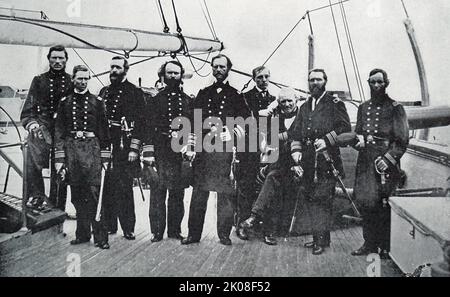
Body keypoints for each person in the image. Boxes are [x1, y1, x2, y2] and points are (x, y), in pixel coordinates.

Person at [181, 54, 250, 246]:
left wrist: (231, 133)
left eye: (222, 67)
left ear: (229, 69)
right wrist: (191, 146)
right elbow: (193, 122)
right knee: (198, 194)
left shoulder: (236, 95)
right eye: (215, 66)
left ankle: (224, 235)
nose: (218, 70)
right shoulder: (203, 93)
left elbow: (246, 122)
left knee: (225, 196)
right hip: (203, 152)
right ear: (212, 69)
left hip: (224, 153)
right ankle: (194, 235)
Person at [289, 68, 351, 255]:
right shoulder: (305, 106)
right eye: (311, 80)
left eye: (318, 79)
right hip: (308, 161)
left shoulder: (335, 104)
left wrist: (327, 140)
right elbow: (296, 132)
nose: (314, 83)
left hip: (327, 160)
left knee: (322, 200)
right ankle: (321, 238)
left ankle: (320, 241)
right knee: (310, 198)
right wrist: (296, 151)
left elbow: (345, 128)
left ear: (325, 81)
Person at [350, 69, 409, 258]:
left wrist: (388, 159)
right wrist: (357, 142)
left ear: (386, 84)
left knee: (384, 204)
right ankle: (369, 244)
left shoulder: (395, 107)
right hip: (366, 160)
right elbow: (358, 133)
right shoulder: (363, 107)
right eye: (372, 82)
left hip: (385, 161)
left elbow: (402, 140)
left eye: (380, 82)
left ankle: (385, 246)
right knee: (367, 203)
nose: (376, 86)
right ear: (368, 83)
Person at [54, 65, 111, 249]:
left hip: (92, 151)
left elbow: (104, 131)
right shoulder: (65, 102)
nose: (83, 81)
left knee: (95, 195)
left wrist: (105, 157)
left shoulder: (97, 101)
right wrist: (60, 159)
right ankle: (83, 234)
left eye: (86, 78)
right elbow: (59, 132)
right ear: (73, 79)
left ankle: (101, 238)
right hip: (72, 152)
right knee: (77, 196)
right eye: (79, 78)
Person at [240, 87, 301, 245]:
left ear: (296, 101)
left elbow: (299, 135)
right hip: (280, 160)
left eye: (290, 101)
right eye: (283, 101)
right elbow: (269, 140)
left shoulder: (303, 115)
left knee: (273, 177)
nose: (287, 104)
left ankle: (254, 217)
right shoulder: (275, 117)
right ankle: (268, 231)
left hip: (301, 159)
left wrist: (284, 137)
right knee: (273, 177)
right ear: (278, 103)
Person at [142, 60, 192, 242]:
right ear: (163, 75)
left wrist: (190, 148)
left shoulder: (188, 101)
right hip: (160, 149)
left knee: (178, 193)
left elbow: (192, 127)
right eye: (169, 73)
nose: (173, 76)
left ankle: (174, 230)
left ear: (181, 76)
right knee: (158, 191)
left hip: (179, 151)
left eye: (176, 73)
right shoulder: (154, 101)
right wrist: (148, 153)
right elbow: (147, 127)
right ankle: (157, 231)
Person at [99, 56, 146, 240]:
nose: (113, 71)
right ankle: (110, 225)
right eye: (111, 67)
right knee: (108, 186)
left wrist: (134, 148)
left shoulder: (134, 92)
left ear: (126, 70)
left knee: (124, 187)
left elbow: (141, 123)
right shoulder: (104, 91)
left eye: (117, 67)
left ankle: (128, 227)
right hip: (106, 144)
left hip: (124, 147)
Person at [20, 45, 72, 210]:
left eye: (61, 58)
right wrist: (32, 124)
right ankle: (36, 197)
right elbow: (28, 110)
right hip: (42, 128)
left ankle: (58, 207)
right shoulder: (39, 80)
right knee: (31, 158)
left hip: (63, 130)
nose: (57, 61)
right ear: (49, 59)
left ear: (66, 60)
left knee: (61, 166)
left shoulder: (72, 81)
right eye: (54, 58)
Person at [235, 65, 276, 241]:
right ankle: (242, 225)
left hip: (268, 147)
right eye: (260, 77)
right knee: (246, 187)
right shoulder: (244, 98)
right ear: (254, 79)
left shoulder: (275, 99)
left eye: (267, 77)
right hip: (248, 148)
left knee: (267, 186)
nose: (264, 80)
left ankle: (266, 229)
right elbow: (239, 119)